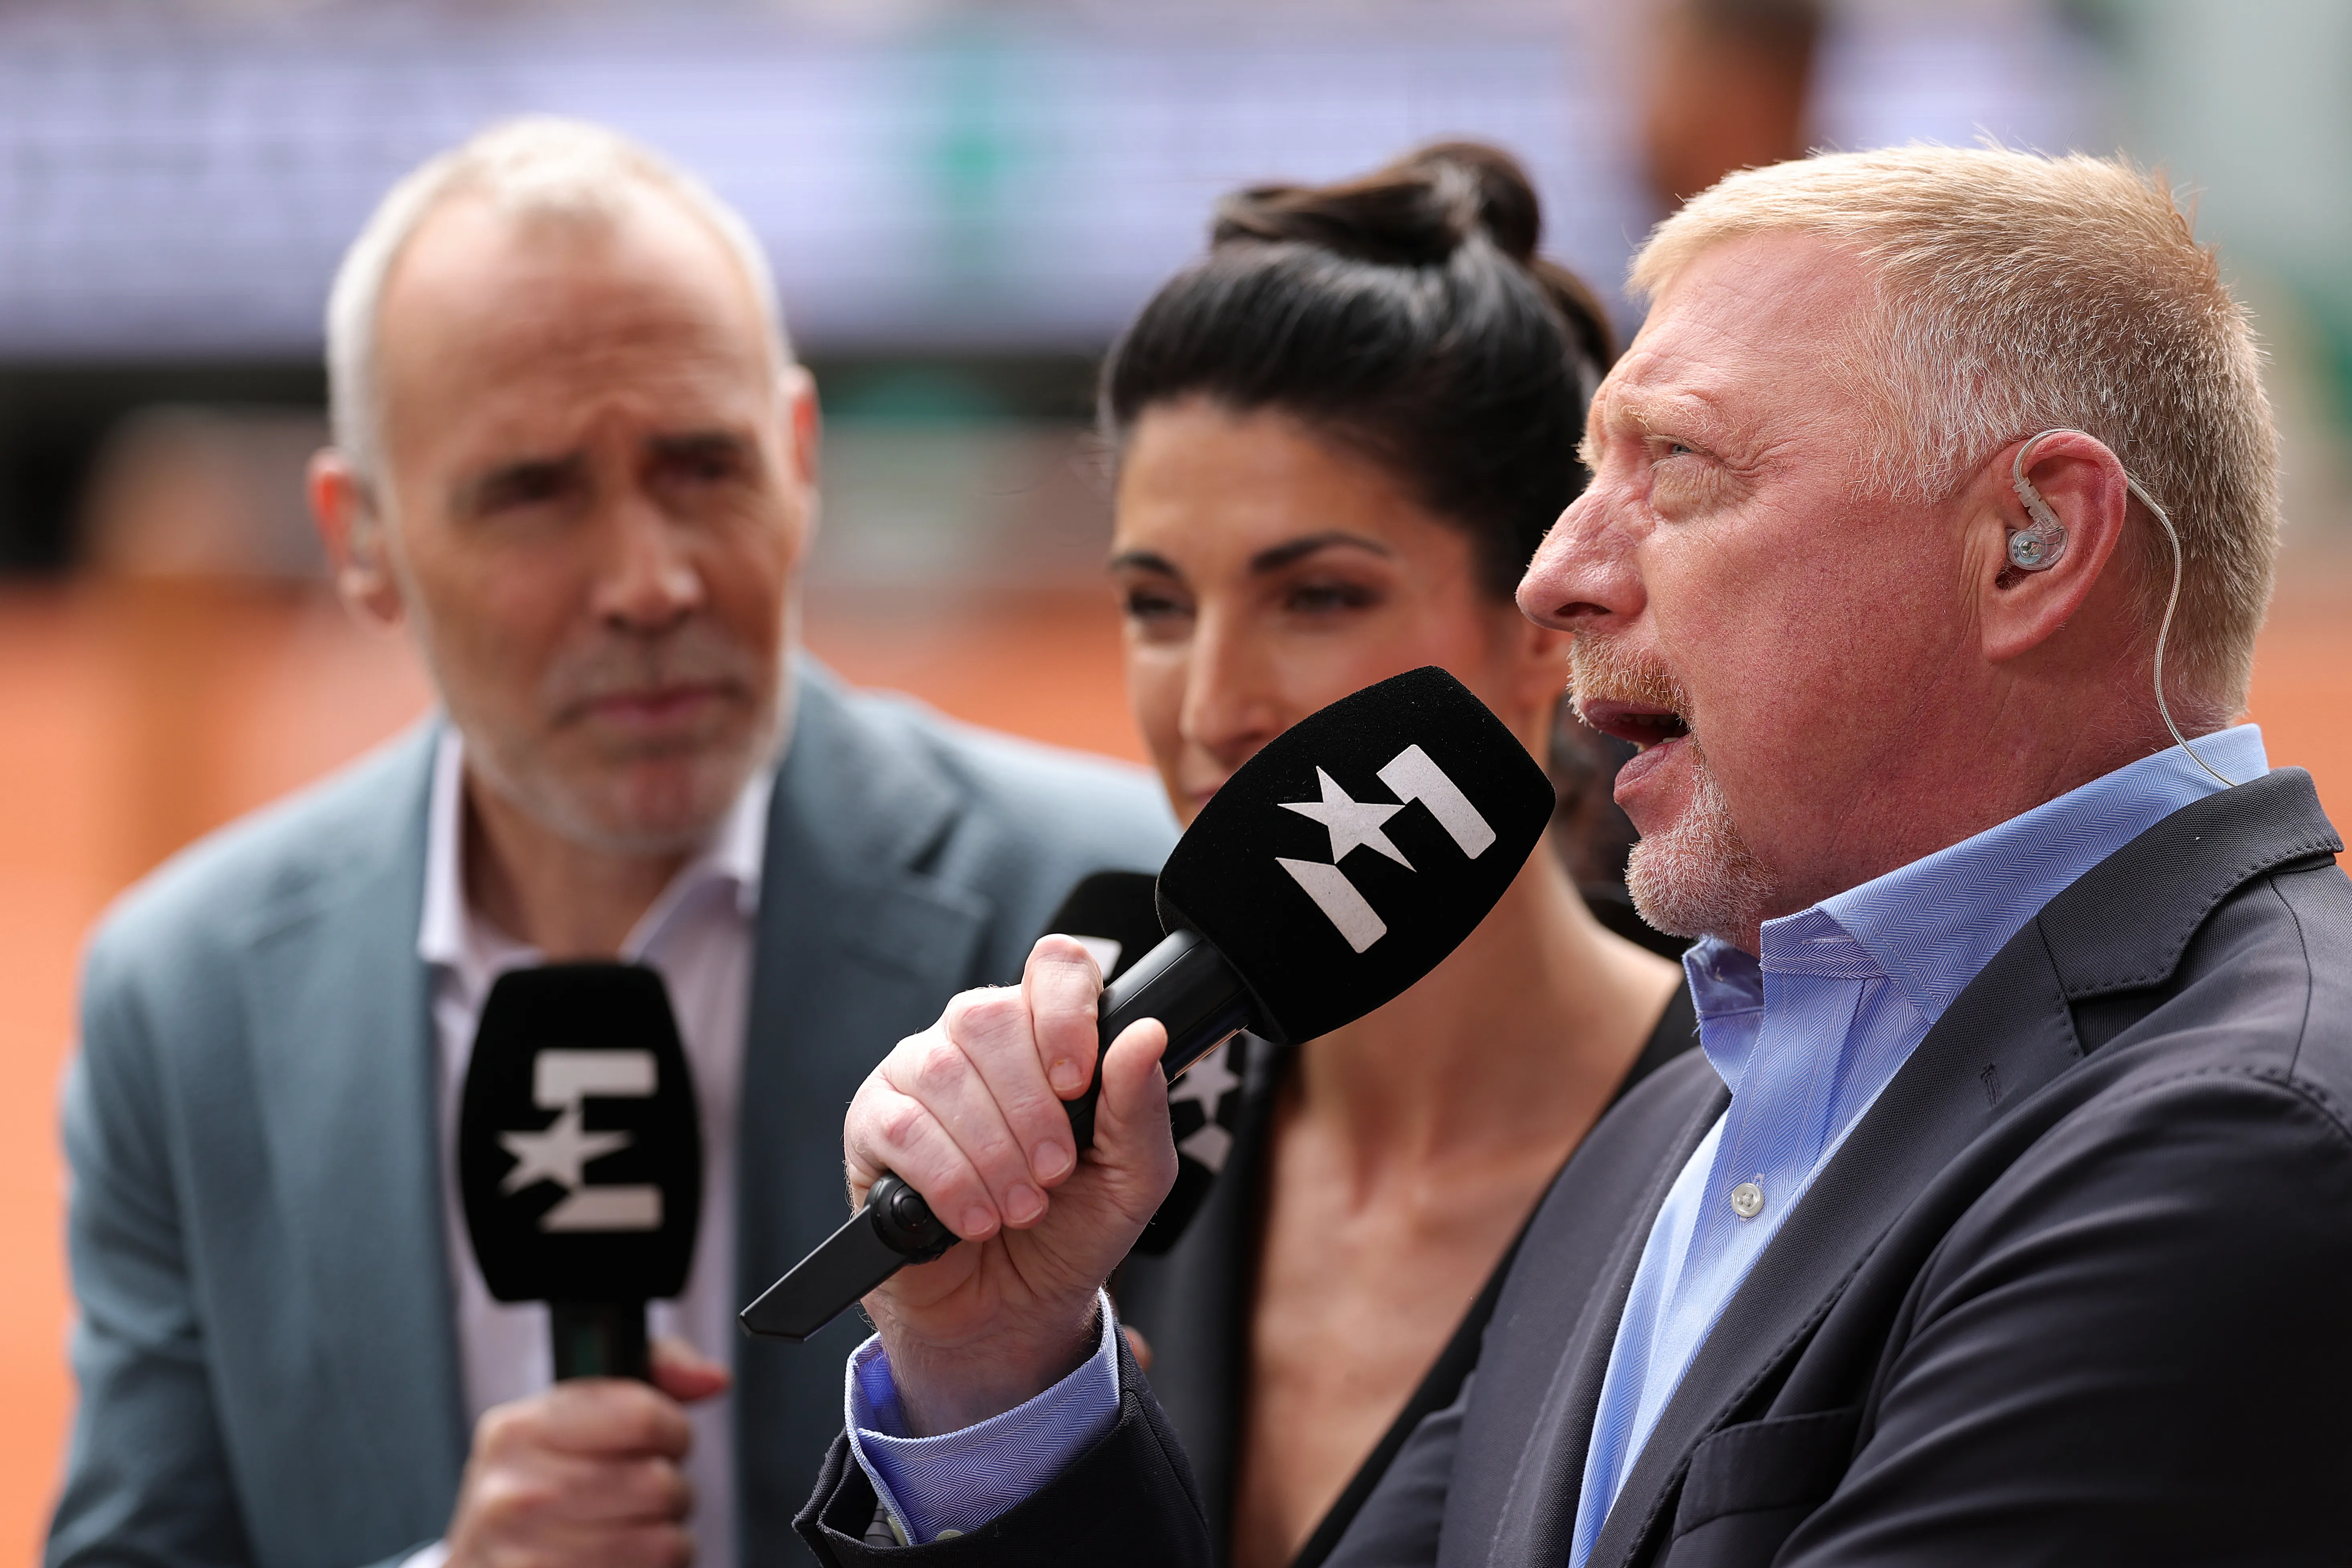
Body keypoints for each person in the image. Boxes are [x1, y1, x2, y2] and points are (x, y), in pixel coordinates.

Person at [792, 145, 2352, 1567]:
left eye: (1677, 467)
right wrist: (1000, 1369)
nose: (1559, 578)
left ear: (2030, 541)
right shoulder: (1672, 1132)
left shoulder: (2237, 1137)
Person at [46, 117, 1175, 1568]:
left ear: (799, 460)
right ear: (362, 539)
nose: (648, 581)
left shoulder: (1104, 906)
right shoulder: (185, 990)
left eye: (701, 466)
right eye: (532, 494)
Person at [1093, 143, 1687, 1568]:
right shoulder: (1114, 1141)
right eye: (1157, 604)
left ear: (1547, 618)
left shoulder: (1756, 1147)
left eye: (1315, 594)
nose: (1209, 702)